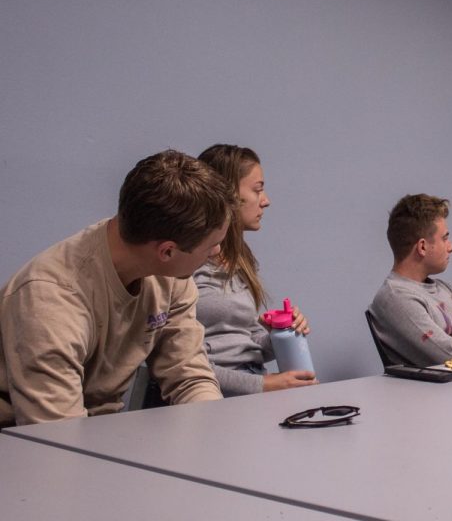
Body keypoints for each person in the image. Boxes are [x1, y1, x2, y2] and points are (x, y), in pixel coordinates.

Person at [0, 150, 235, 427]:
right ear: (167, 251)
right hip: (23, 443)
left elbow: (189, 375)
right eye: (211, 245)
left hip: (96, 434)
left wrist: (215, 433)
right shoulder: (51, 299)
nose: (217, 251)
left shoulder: (171, 276)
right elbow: (57, 437)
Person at [194, 145, 316, 396]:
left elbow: (250, 345)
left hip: (253, 383)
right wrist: (264, 385)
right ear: (226, 195)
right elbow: (182, 365)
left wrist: (281, 332)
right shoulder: (188, 266)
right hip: (216, 396)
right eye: (257, 189)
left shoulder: (240, 260)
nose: (266, 200)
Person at [369, 194, 452, 366]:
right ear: (423, 247)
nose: (451, 247)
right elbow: (449, 356)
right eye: (445, 238)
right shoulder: (396, 298)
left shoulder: (446, 289)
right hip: (436, 392)